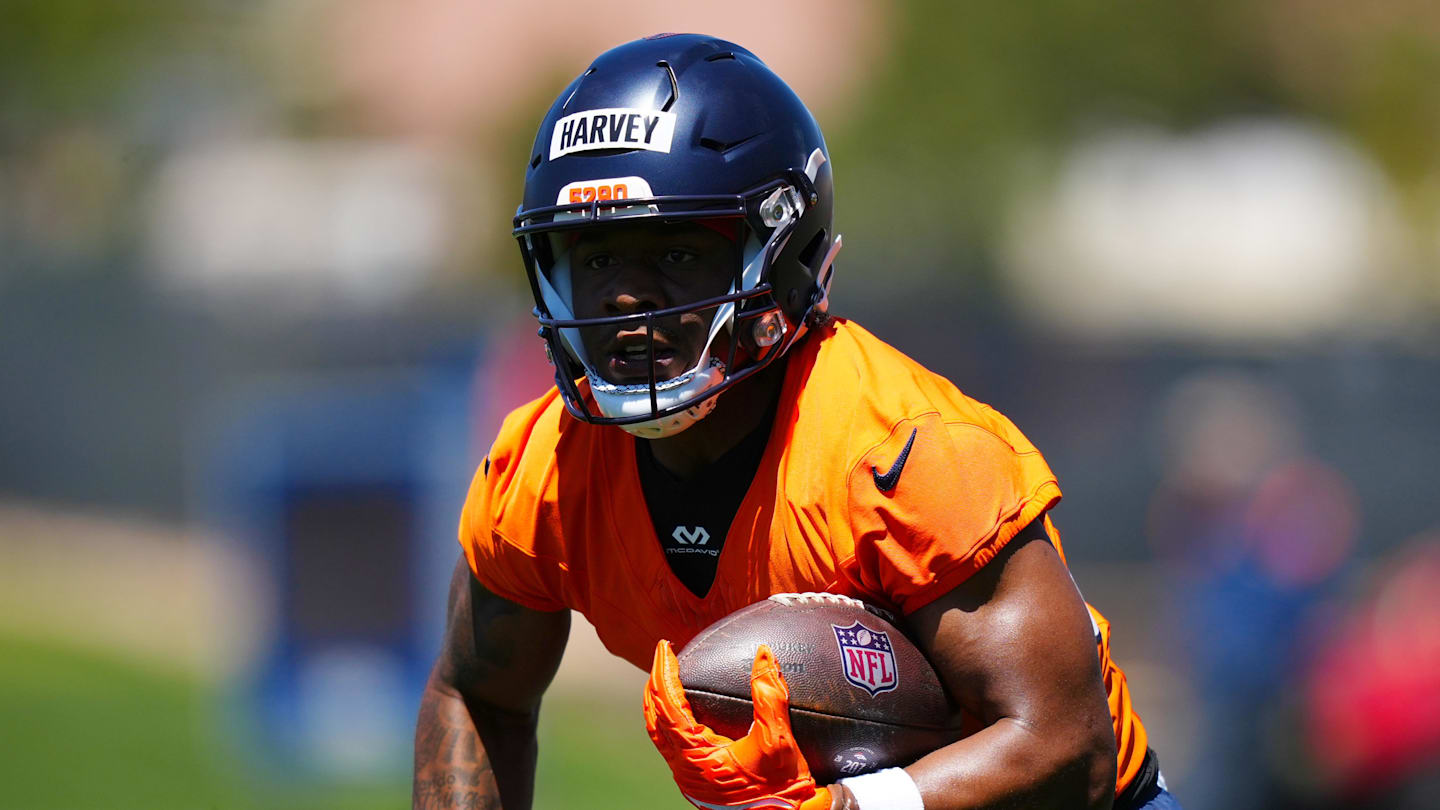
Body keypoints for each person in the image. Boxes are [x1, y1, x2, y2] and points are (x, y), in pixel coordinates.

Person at [414, 33, 1179, 810]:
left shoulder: (902, 451)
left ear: (781, 252)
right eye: (596, 258)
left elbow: (1067, 746)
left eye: (675, 255)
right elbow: (475, 694)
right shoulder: (543, 468)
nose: (624, 298)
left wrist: (851, 807)